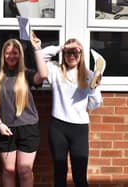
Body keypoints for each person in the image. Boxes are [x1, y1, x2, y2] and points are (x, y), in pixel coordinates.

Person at [43, 39, 103, 187]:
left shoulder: (89, 75)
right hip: (58, 127)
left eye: (76, 52)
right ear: (63, 54)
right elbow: (41, 55)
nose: (72, 55)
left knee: (80, 176)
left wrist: (94, 88)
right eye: (68, 52)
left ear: (81, 54)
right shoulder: (55, 71)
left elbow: (95, 105)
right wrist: (61, 47)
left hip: (80, 129)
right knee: (59, 173)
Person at [0, 33, 48, 187]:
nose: (11, 56)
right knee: (8, 170)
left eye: (15, 53)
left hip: (28, 129)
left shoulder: (26, 74)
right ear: (3, 55)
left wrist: (37, 49)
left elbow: (43, 75)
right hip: (5, 129)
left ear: (20, 55)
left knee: (25, 171)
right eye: (8, 53)